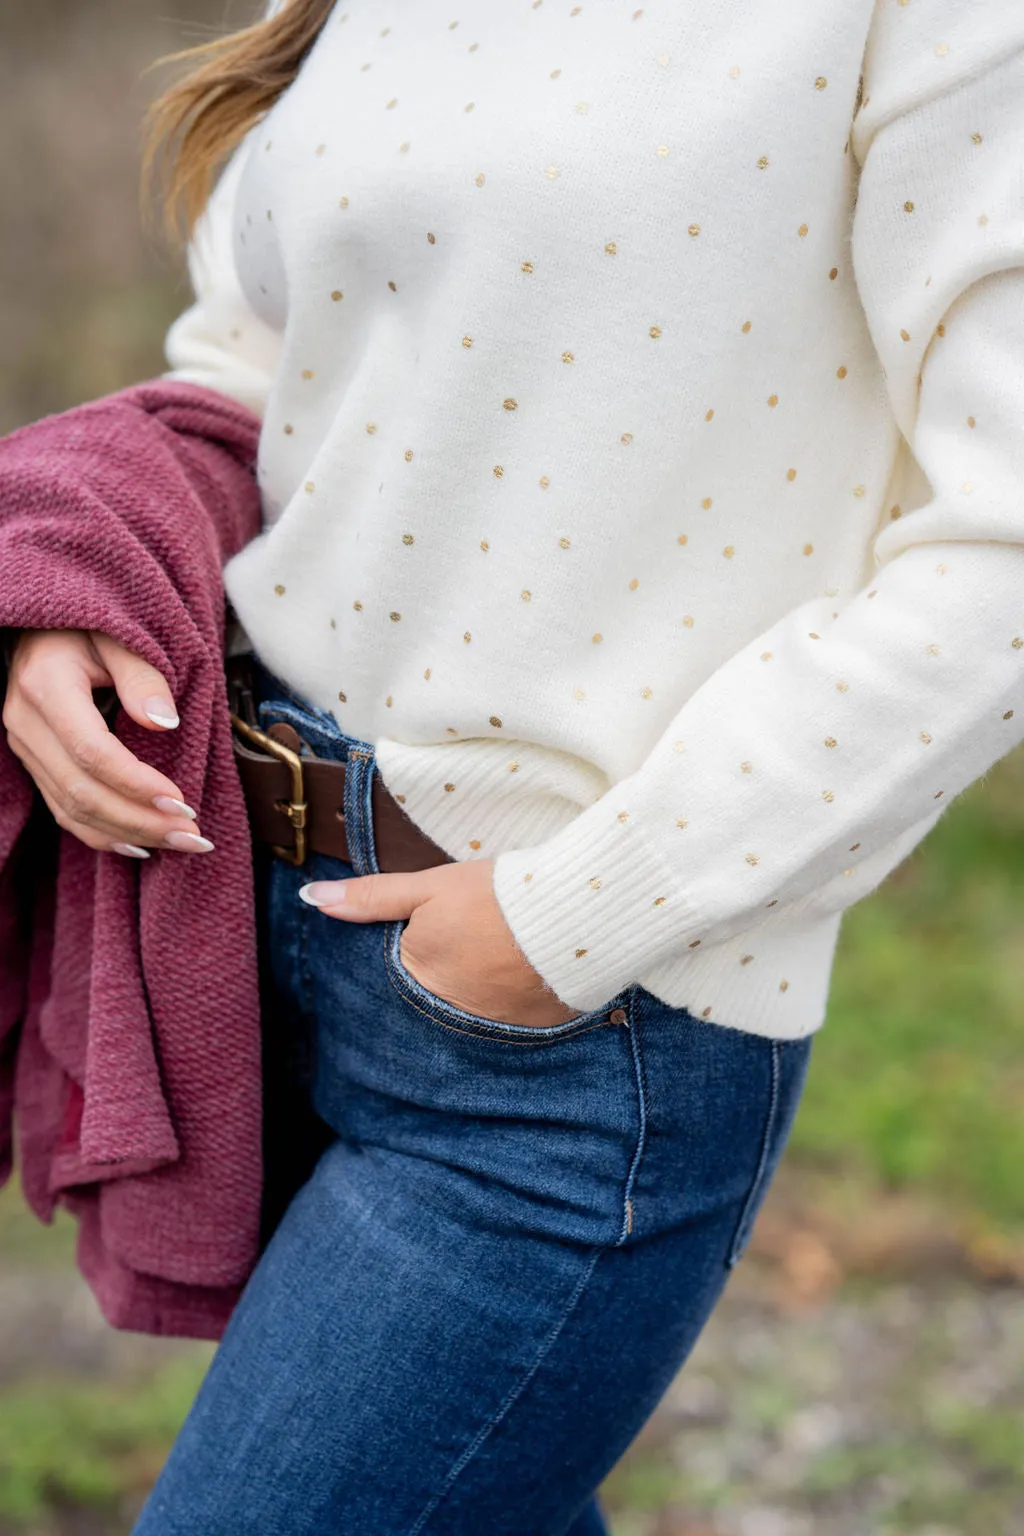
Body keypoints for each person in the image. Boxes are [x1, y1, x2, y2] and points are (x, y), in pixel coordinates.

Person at [4, 1, 1022, 1531]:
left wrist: (572, 917)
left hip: (568, 1031)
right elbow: (252, 362)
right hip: (267, 932)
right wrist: (69, 590)